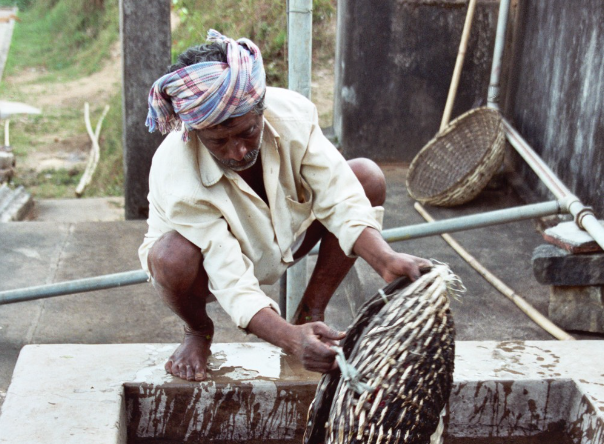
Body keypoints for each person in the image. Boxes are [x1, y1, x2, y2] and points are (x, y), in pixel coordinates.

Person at [140, 30, 431, 382]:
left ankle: (310, 313)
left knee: (366, 177)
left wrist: (385, 259)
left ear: (261, 109)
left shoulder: (293, 115)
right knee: (171, 256)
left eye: (248, 132)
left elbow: (340, 193)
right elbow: (229, 276)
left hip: (285, 234)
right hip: (204, 270)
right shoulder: (176, 171)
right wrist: (289, 341)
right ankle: (198, 331)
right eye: (219, 141)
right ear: (195, 133)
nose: (239, 151)